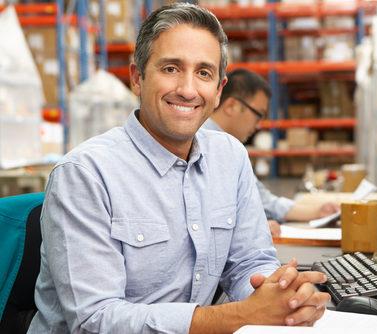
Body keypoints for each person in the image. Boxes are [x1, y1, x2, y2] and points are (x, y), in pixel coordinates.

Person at [27, 3, 330, 333]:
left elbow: (249, 262)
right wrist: (242, 315)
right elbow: (95, 320)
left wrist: (282, 297)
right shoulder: (85, 173)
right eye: (171, 68)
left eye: (203, 73)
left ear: (218, 90)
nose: (187, 89)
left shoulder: (231, 157)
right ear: (137, 78)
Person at [202, 68, 340, 236]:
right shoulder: (208, 144)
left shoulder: (228, 147)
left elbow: (261, 199)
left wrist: (317, 212)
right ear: (231, 106)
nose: (259, 125)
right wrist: (248, 229)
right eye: (258, 115)